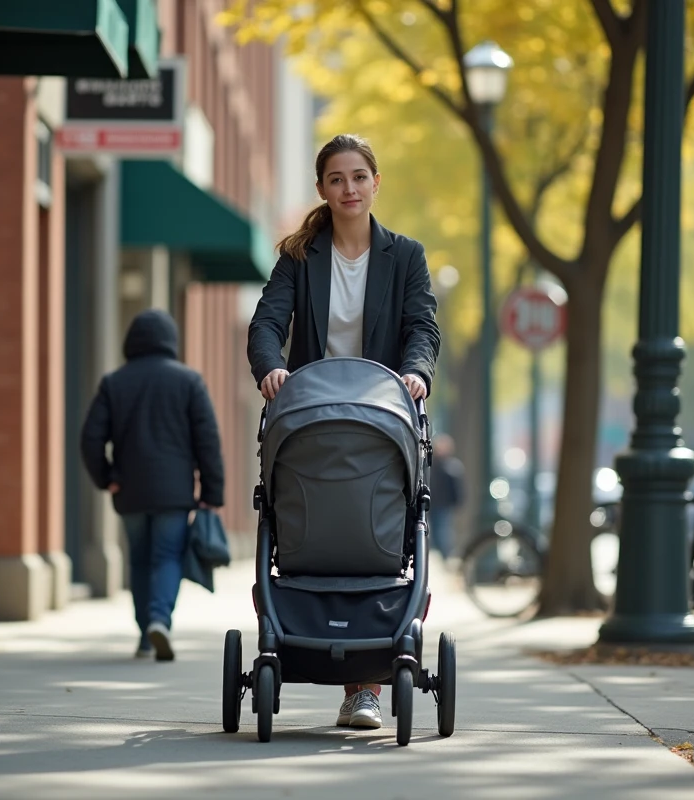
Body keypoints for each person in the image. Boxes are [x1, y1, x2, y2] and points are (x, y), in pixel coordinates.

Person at [247, 133, 441, 730]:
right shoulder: (299, 258)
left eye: (359, 177)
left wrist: (416, 373)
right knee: (316, 534)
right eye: (337, 179)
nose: (349, 189)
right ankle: (297, 642)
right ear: (322, 189)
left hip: (381, 419)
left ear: (375, 183)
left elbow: (422, 326)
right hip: (315, 421)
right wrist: (271, 368)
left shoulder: (404, 256)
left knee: (376, 541)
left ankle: (365, 689)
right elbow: (266, 322)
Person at [81, 309, 225, 663]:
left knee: (140, 560)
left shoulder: (114, 383)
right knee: (166, 557)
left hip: (129, 490)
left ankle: (146, 632)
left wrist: (107, 478)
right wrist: (212, 493)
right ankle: (160, 619)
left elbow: (90, 439)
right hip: (174, 493)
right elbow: (207, 440)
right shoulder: (189, 381)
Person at [428, 433, 466, 568]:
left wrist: (457, 503)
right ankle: (436, 557)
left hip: (444, 505)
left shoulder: (452, 466)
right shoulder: (430, 465)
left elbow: (457, 488)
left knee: (443, 532)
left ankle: (446, 558)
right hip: (431, 504)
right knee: (432, 532)